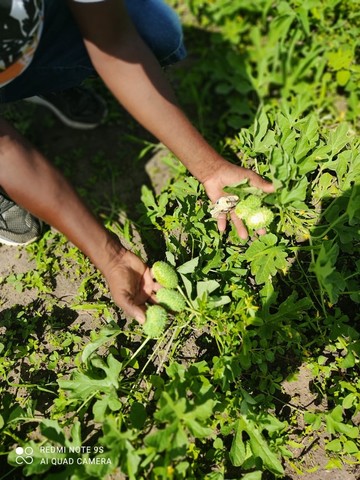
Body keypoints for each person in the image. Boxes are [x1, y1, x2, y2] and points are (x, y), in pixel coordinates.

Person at [0, 0, 274, 324]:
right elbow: (4, 152)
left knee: (155, 31)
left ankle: (43, 78)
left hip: (24, 40)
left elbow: (116, 42)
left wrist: (209, 167)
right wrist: (110, 257)